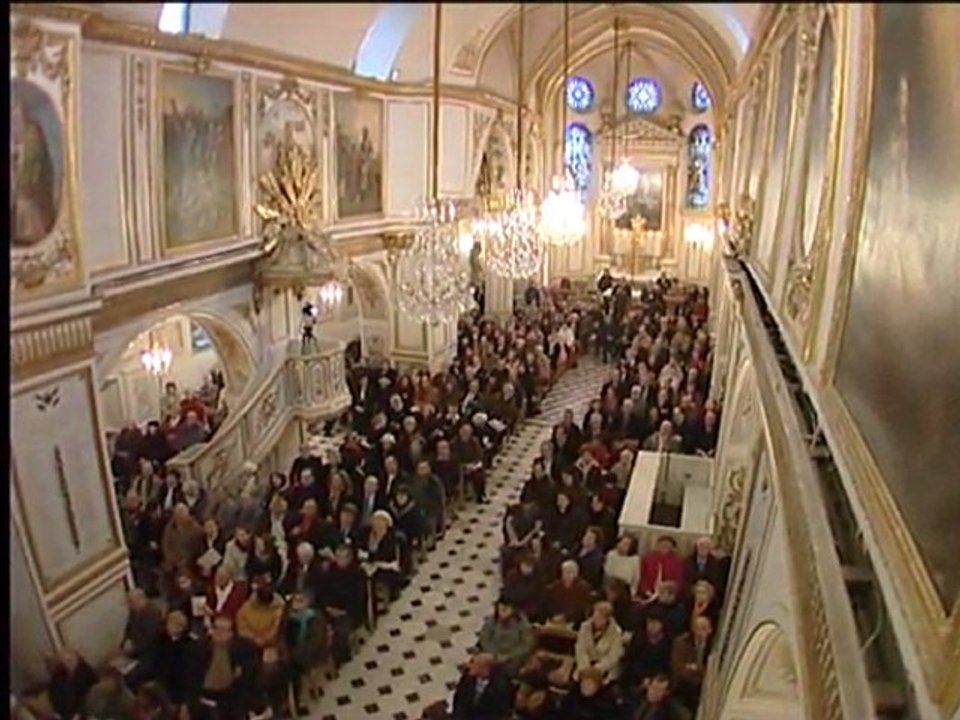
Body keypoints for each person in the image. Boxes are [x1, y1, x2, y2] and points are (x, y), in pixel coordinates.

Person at [476, 597, 536, 677]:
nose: (502, 612)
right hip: (492, 655)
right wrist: (494, 655)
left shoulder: (523, 625)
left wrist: (505, 657)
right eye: (499, 609)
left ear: (513, 610)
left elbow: (526, 646)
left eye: (505, 609)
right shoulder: (492, 621)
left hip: (512, 659)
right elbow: (484, 638)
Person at [574, 601, 624, 685]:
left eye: (601, 618)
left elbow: (613, 656)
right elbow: (580, 649)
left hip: (605, 669)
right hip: (585, 665)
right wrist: (586, 668)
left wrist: (596, 670)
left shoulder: (616, 632)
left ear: (607, 619)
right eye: (596, 616)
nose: (597, 620)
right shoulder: (584, 627)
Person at [451, 653, 514, 720]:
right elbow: (459, 699)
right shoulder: (468, 676)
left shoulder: (501, 688)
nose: (469, 666)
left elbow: (497, 714)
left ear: (485, 669)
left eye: (474, 664)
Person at [670, 615, 714, 712]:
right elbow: (679, 669)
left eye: (703, 628)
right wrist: (701, 670)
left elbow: (712, 671)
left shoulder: (714, 645)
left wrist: (696, 668)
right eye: (697, 628)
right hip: (683, 689)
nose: (700, 632)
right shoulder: (681, 642)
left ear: (710, 630)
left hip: (705, 689)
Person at [47, 648, 98, 720]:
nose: (70, 663)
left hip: (89, 707)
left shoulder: (85, 669)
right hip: (70, 714)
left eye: (72, 659)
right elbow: (57, 702)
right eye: (66, 660)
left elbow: (95, 685)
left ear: (77, 659)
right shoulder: (58, 679)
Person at [542, 560, 594, 627]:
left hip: (574, 623)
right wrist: (554, 617)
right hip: (554, 620)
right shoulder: (553, 588)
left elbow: (582, 610)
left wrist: (566, 617)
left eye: (572, 572)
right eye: (566, 572)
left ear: (577, 573)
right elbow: (548, 606)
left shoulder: (584, 589)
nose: (569, 575)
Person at [623, 674, 692, 720]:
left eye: (659, 690)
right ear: (648, 686)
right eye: (653, 688)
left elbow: (685, 716)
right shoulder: (637, 699)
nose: (654, 692)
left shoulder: (668, 709)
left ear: (666, 693)